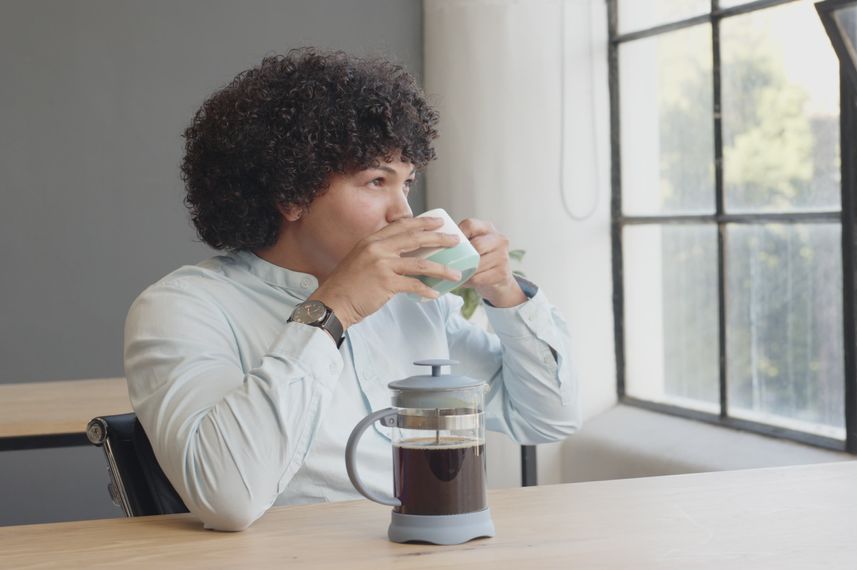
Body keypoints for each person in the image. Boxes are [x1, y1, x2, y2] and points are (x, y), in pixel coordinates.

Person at [123, 48, 580, 531]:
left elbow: (546, 418)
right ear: (291, 194)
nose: (403, 213)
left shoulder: (413, 302)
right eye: (376, 181)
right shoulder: (182, 309)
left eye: (406, 184)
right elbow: (228, 498)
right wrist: (332, 309)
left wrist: (506, 293)